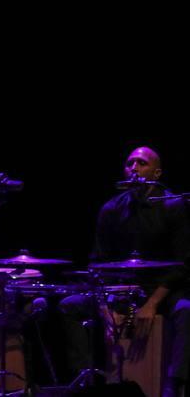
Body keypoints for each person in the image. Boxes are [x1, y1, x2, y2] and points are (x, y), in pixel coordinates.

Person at [61, 146, 189, 397]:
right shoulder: (111, 209)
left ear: (157, 172)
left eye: (141, 163)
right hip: (121, 290)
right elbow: (98, 263)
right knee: (69, 305)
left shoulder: (174, 206)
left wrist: (152, 304)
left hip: (163, 289)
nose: (133, 169)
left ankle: (174, 385)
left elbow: (182, 264)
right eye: (130, 163)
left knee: (186, 310)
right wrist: (104, 306)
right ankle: (85, 383)